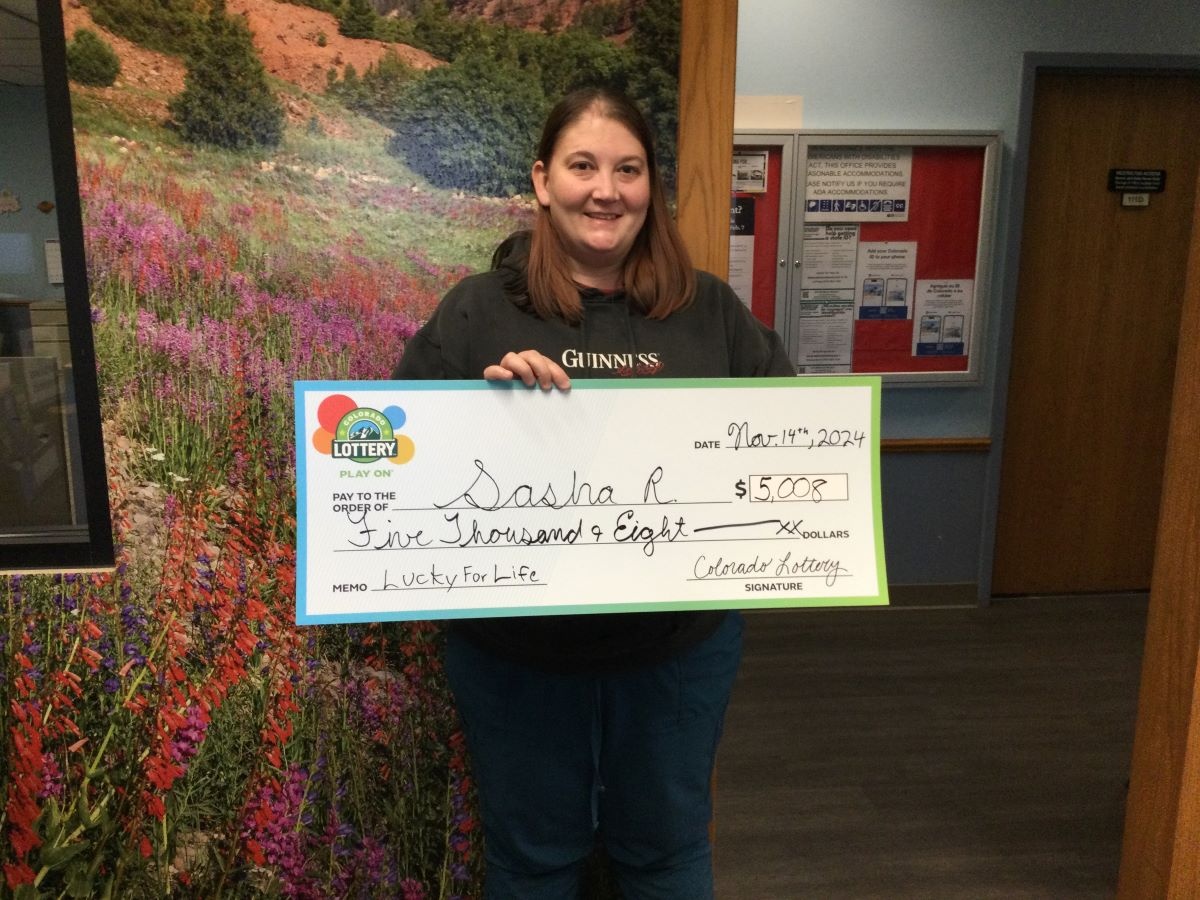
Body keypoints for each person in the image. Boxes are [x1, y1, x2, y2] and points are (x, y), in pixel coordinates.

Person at [392, 87, 794, 900]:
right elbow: (395, 467)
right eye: (583, 166)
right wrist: (484, 411)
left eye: (628, 169)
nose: (606, 189)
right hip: (516, 659)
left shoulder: (708, 310)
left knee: (669, 853)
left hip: (675, 655)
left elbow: (785, 435)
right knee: (533, 859)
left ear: (652, 186)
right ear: (543, 181)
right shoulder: (476, 311)